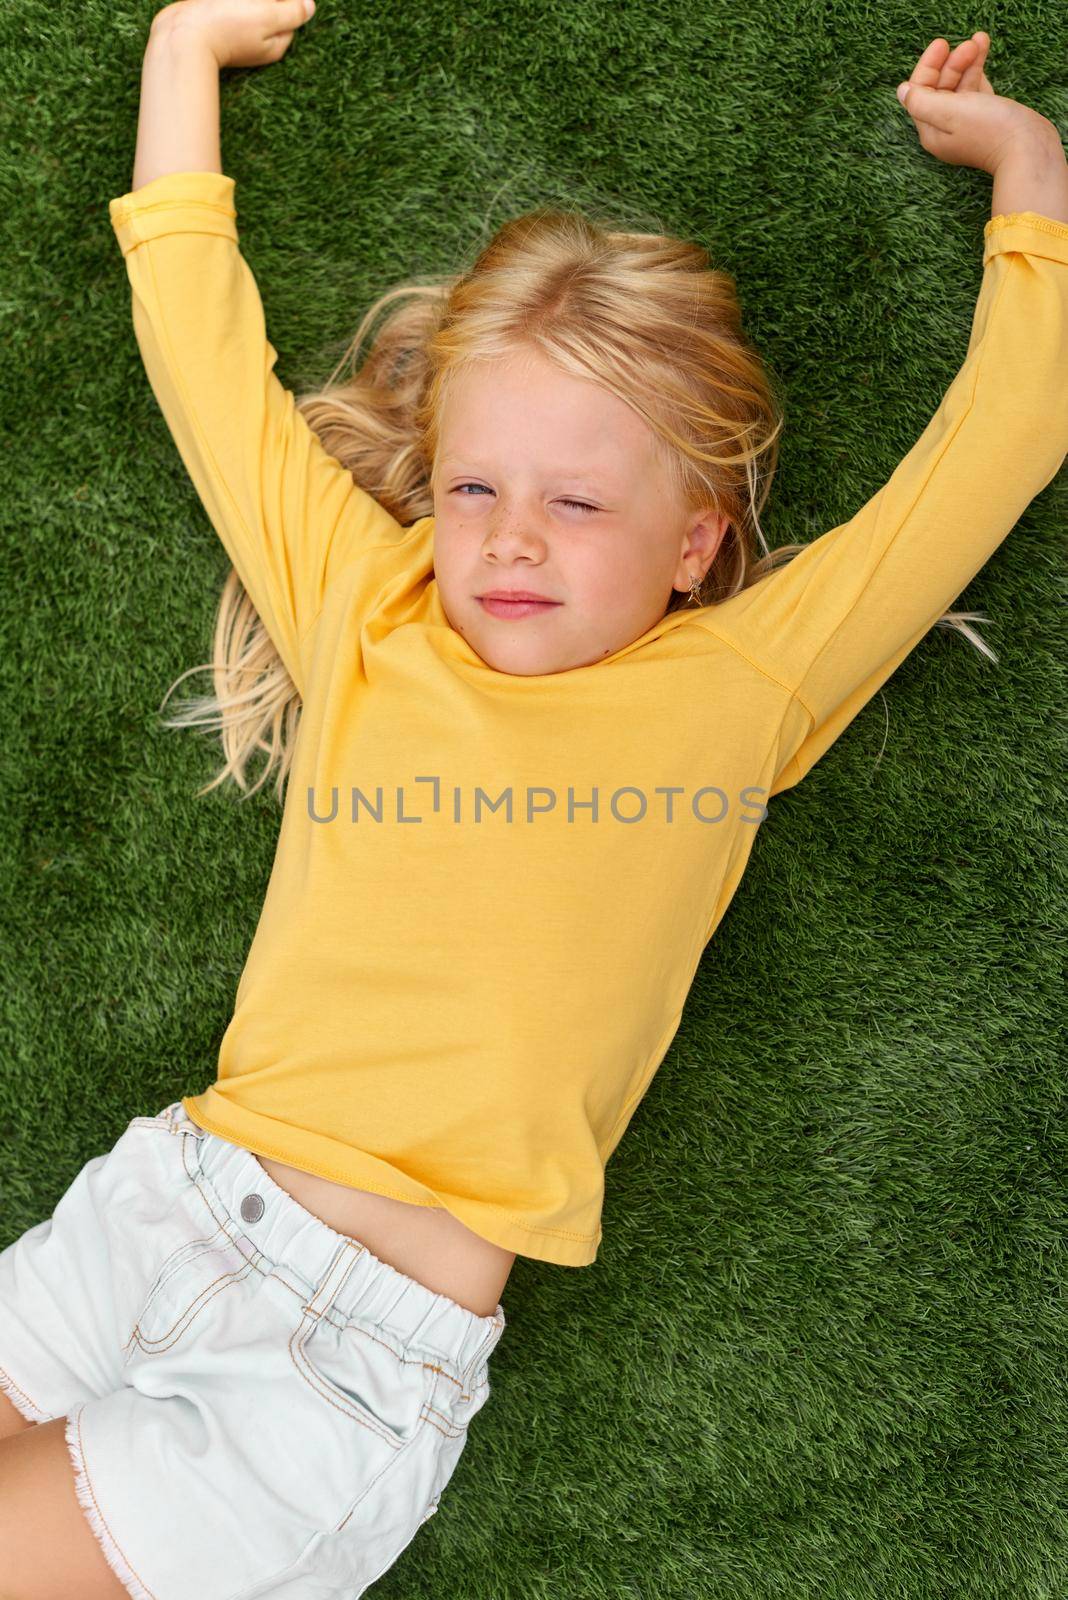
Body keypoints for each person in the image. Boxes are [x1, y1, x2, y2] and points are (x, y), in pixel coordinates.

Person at [1, 8, 1066, 1597]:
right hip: (159, 1211)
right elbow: (199, 352)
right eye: (478, 488)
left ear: (695, 544)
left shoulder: (748, 683)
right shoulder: (371, 608)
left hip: (340, 1373)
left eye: (577, 504)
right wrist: (178, 53)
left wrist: (1030, 169)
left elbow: (1008, 439)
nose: (508, 541)